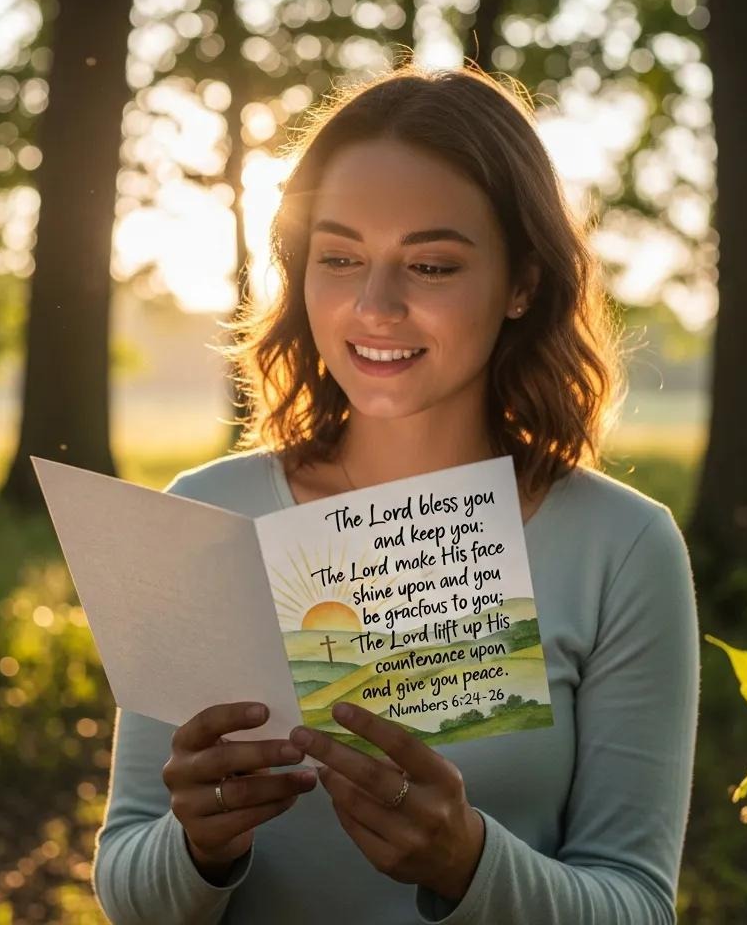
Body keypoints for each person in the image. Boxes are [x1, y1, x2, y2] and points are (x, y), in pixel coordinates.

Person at [91, 63, 699, 924]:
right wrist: (196, 842)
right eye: (339, 257)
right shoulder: (205, 517)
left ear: (523, 282)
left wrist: (470, 863)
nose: (375, 306)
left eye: (432, 265)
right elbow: (126, 884)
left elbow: (637, 905)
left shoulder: (620, 546)